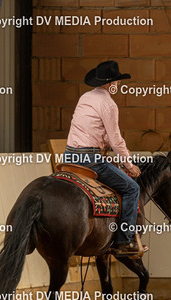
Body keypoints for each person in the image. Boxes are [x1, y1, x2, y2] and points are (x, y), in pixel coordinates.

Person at [64, 60, 144, 256]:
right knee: (132, 188)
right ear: (111, 83)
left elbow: (95, 130)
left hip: (69, 157)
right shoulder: (109, 104)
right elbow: (116, 140)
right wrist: (129, 164)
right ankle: (124, 240)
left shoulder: (85, 97)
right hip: (90, 160)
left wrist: (104, 143)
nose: (118, 84)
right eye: (117, 81)